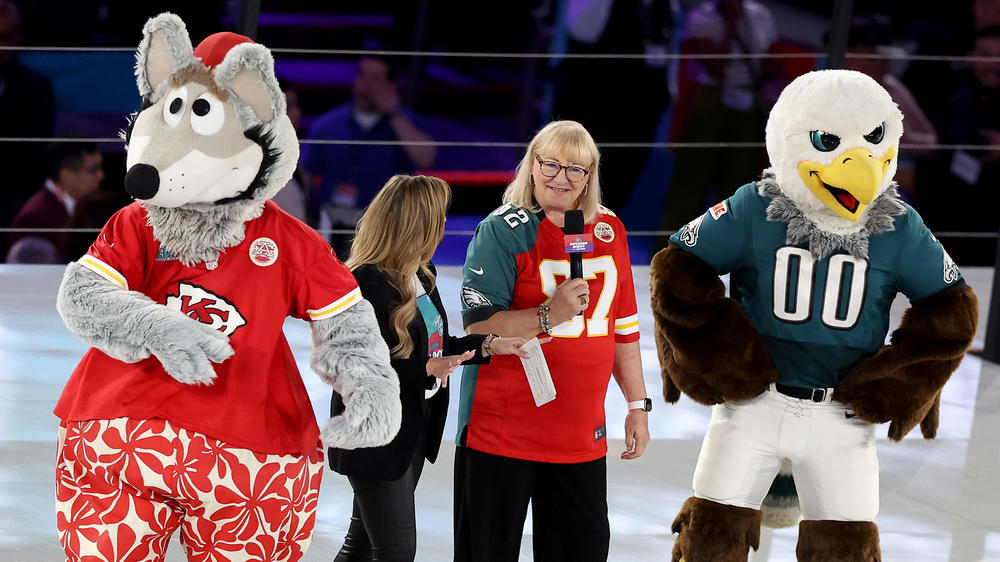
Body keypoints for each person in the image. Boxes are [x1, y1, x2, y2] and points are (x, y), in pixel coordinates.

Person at [453, 120, 650, 562]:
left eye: (576, 170)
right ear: (532, 166)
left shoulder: (609, 230)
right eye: (552, 165)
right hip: (503, 429)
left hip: (580, 431)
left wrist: (637, 406)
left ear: (589, 177)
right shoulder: (502, 230)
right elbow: (478, 328)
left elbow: (624, 329)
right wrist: (549, 314)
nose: (562, 178)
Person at [329, 174, 531, 562]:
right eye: (437, 219)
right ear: (415, 224)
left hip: (413, 429)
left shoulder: (421, 273)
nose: (443, 228)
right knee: (395, 553)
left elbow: (434, 347)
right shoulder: (363, 283)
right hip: (375, 435)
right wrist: (425, 368)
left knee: (361, 548)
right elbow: (352, 371)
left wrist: (488, 344)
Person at [659, 0, 779, 234]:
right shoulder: (701, 17)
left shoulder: (761, 16)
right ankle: (671, 252)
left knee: (738, 188)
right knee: (690, 184)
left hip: (749, 105)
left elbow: (769, 63)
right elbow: (715, 66)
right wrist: (731, 22)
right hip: (711, 101)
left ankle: (727, 255)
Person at [299, 54, 436, 258]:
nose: (366, 84)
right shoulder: (329, 125)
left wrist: (393, 113)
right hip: (332, 227)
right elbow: (304, 177)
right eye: (362, 76)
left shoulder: (405, 124)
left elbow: (426, 158)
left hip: (387, 227)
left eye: (376, 78)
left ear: (392, 86)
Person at [0, 0, 55, 257]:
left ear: (18, 37)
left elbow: (34, 150)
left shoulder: (36, 89)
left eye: (5, 37)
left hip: (14, 199)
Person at [7, 141, 104, 262]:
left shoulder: (95, 204)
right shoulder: (33, 219)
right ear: (67, 175)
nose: (101, 175)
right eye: (93, 170)